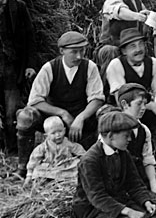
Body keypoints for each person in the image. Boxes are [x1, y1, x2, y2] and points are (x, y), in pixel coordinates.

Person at [16, 31, 104, 178]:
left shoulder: (90, 67)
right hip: (53, 120)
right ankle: (23, 167)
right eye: (74, 52)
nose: (79, 56)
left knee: (106, 114)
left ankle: (104, 163)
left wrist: (81, 118)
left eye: (82, 51)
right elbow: (35, 100)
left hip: (81, 119)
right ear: (62, 51)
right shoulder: (50, 68)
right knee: (26, 116)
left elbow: (97, 99)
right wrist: (62, 113)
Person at [0, 0, 36, 154]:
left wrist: (30, 65)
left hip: (11, 67)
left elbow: (30, 37)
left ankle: (13, 149)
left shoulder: (18, 6)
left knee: (11, 110)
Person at [105, 27, 156, 128]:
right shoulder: (116, 65)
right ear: (124, 51)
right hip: (123, 111)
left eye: (141, 44)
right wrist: (151, 106)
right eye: (133, 46)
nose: (138, 49)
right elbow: (121, 101)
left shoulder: (153, 63)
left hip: (145, 108)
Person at [23, 116, 86, 187]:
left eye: (60, 131)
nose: (58, 135)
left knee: (77, 165)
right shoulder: (42, 147)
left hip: (65, 168)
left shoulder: (69, 144)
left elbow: (82, 154)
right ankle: (47, 182)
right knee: (37, 170)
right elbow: (34, 160)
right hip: (49, 169)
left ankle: (66, 181)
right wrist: (29, 176)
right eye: (53, 133)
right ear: (46, 135)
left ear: (64, 130)